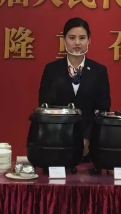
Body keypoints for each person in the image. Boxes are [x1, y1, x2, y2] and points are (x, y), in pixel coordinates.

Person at [38, 17, 111, 155]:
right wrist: (59, 135)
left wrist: (87, 138)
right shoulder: (52, 70)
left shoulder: (99, 71)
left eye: (82, 38)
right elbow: (45, 107)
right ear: (64, 40)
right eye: (72, 38)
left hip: (90, 146)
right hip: (57, 143)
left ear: (89, 40)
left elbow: (103, 109)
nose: (77, 43)